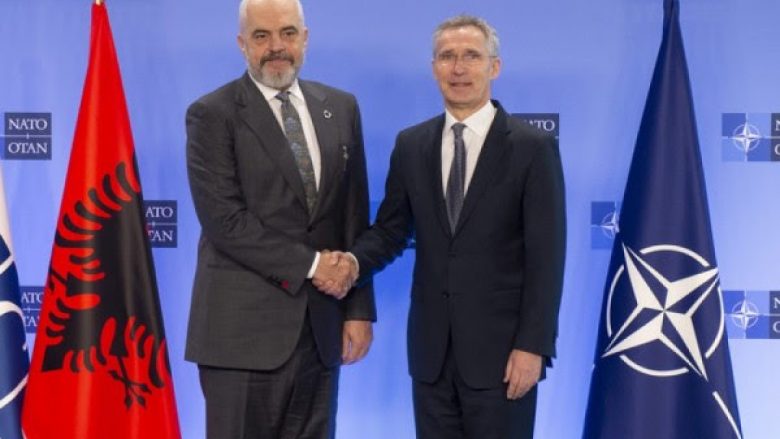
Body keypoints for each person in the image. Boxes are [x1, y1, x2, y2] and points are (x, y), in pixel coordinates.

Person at [340, 14, 566, 439]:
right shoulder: (411, 145)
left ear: (494, 67)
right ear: (434, 68)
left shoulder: (533, 148)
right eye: (447, 57)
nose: (458, 68)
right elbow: (390, 232)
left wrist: (533, 346)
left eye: (471, 56)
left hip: (503, 358)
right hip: (431, 357)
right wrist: (350, 264)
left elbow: (547, 259)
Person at [184, 0, 374, 437]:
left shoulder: (341, 107)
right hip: (240, 338)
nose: (276, 47)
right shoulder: (212, 113)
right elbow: (225, 221)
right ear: (241, 44)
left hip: (321, 332)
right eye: (261, 36)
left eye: (288, 33)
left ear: (305, 39)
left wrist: (358, 310)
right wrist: (314, 266)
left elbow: (353, 214)